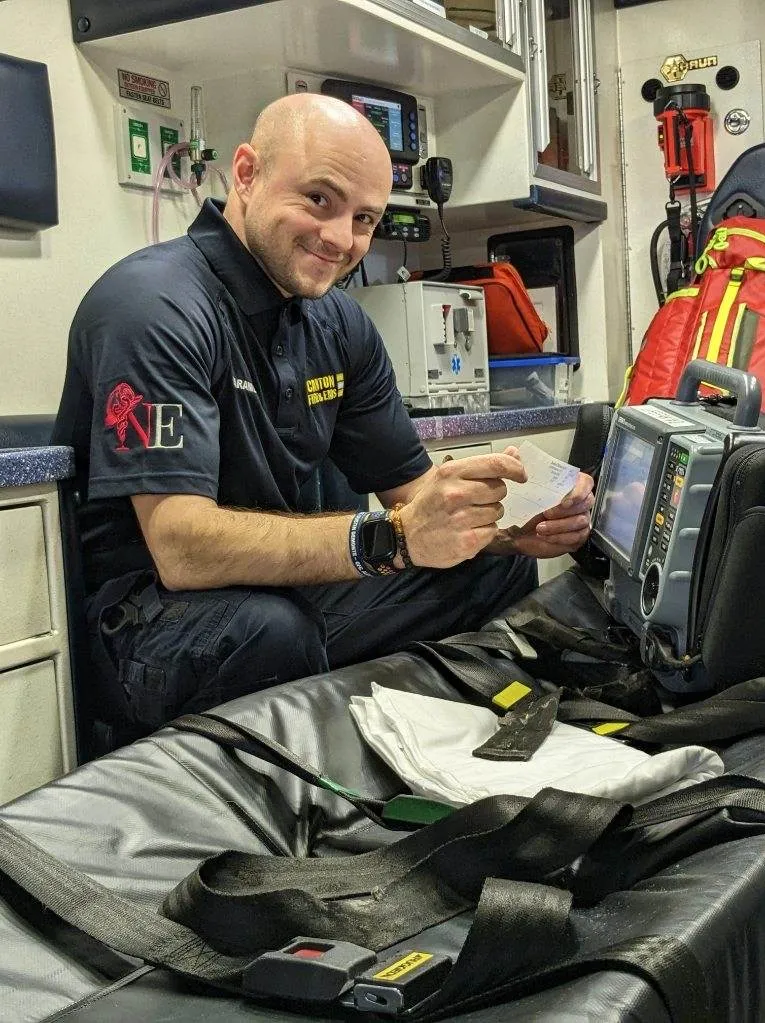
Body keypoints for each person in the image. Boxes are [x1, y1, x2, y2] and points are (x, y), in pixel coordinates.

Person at [53, 93, 594, 750]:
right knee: (270, 631)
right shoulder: (154, 305)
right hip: (143, 618)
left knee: (484, 568)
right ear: (246, 175)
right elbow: (180, 546)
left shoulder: (337, 325)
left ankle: (446, 757)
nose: (341, 238)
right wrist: (386, 539)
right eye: (319, 199)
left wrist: (510, 525)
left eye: (364, 218)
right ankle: (304, 813)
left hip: (275, 596)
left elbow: (412, 497)